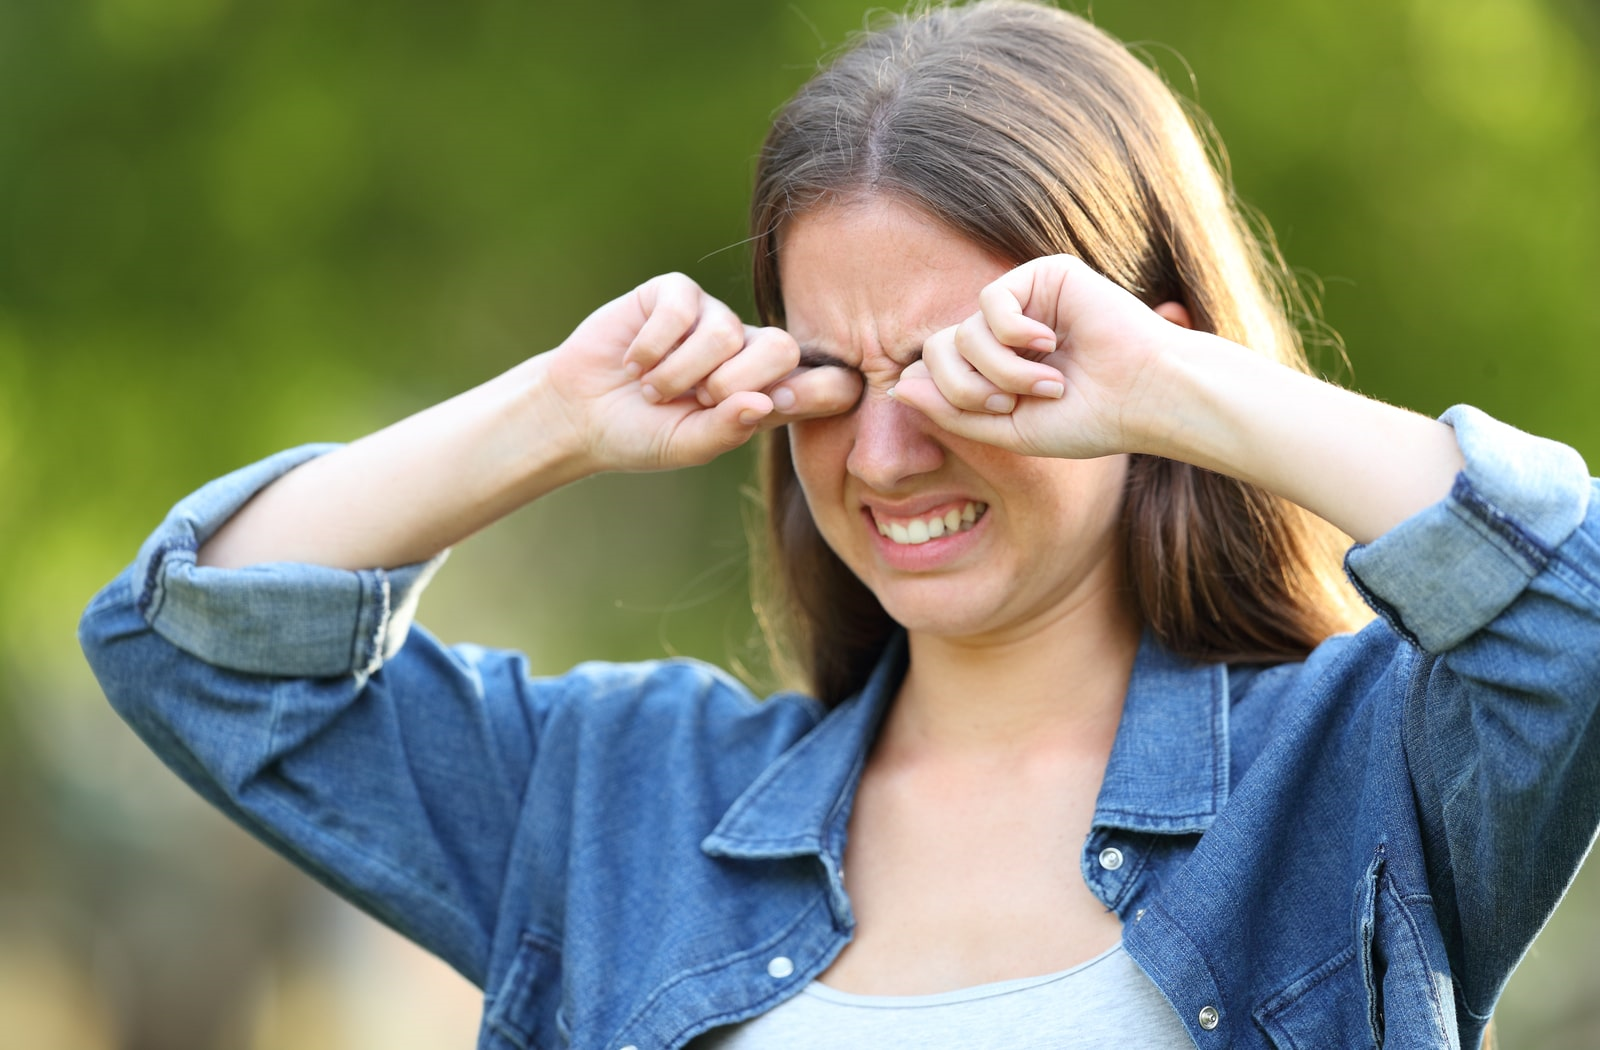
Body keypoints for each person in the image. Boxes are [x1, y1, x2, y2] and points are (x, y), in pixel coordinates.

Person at [79, 1, 1600, 1047]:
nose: (884, 448)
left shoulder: (1359, 770)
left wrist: (1178, 387)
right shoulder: (623, 805)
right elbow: (198, 644)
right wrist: (550, 412)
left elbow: (1572, 605)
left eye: (969, 369)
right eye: (828, 373)